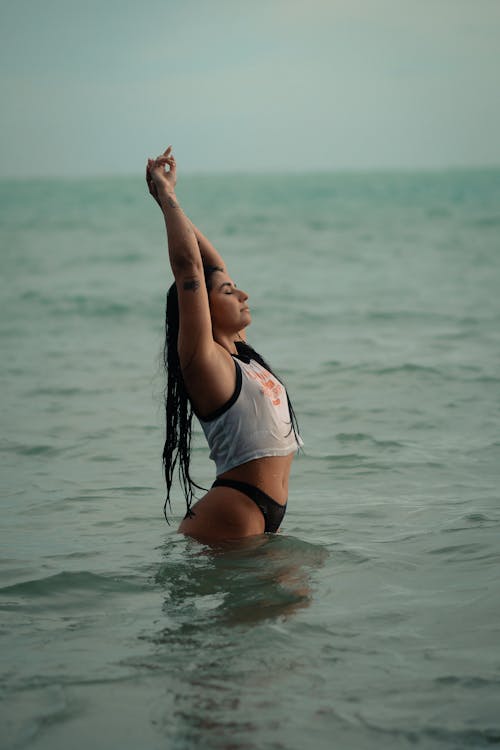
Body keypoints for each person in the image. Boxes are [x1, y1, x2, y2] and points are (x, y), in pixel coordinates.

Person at [146, 146, 302, 543]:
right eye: (230, 292)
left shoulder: (241, 354)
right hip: (235, 509)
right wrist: (168, 199)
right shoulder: (204, 361)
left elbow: (212, 265)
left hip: (257, 511)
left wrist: (167, 200)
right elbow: (190, 266)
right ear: (202, 307)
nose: (243, 294)